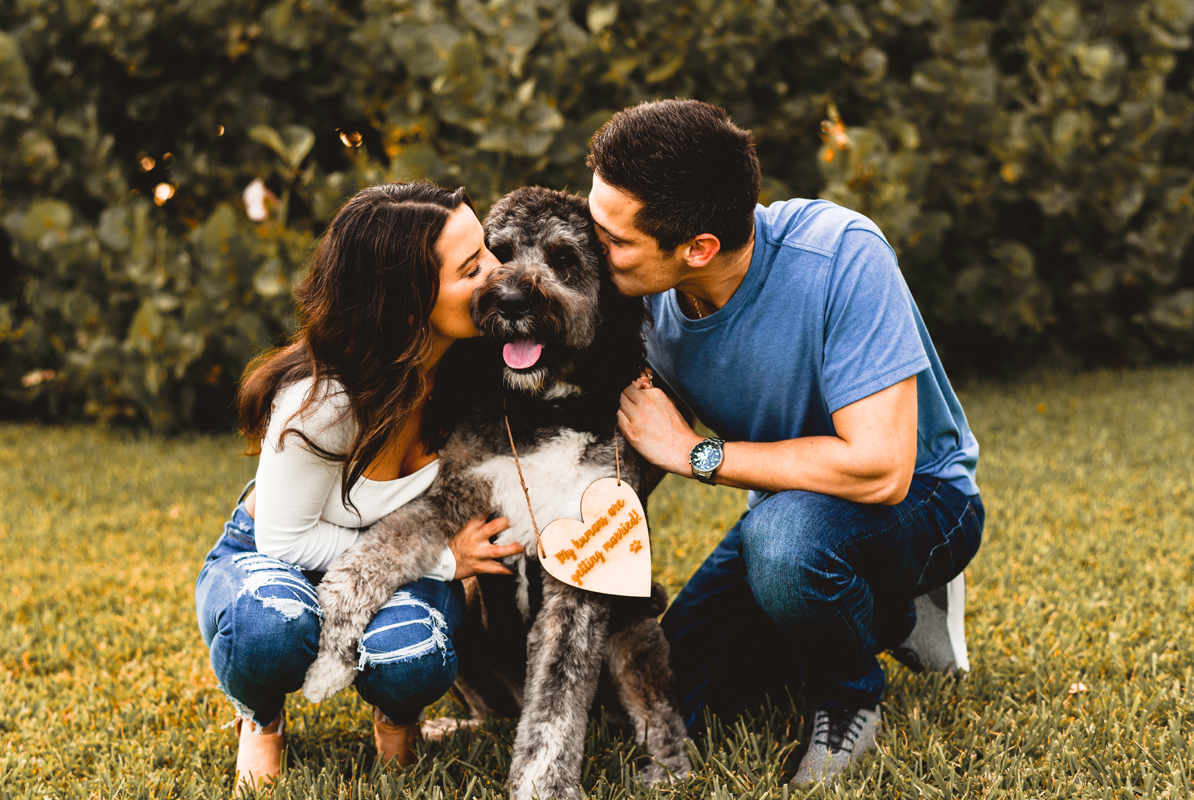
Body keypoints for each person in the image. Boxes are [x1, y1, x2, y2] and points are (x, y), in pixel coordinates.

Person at [588, 99, 984, 786]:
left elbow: (881, 469)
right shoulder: (643, 295)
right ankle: (884, 615)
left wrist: (694, 454)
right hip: (788, 511)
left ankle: (852, 697)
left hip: (925, 502)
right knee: (668, 695)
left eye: (614, 240)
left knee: (787, 550)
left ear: (698, 248)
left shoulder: (839, 255)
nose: (595, 250)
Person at [193, 182, 524, 791]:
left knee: (413, 655)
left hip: (393, 561)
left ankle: (397, 717)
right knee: (270, 628)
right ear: (405, 308)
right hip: (277, 554)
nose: (500, 274)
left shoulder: (480, 369)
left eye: (490, 253)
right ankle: (261, 719)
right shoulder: (320, 403)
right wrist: (442, 560)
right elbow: (285, 544)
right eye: (472, 268)